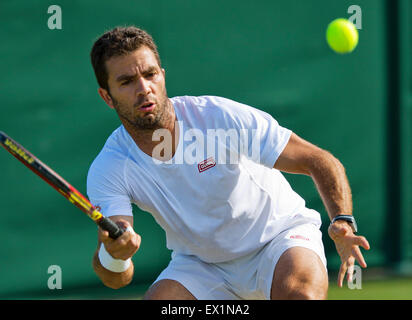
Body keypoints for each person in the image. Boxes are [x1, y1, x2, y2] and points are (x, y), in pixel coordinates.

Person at [87, 26, 370, 300]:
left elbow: (318, 160)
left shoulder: (218, 117)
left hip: (279, 238)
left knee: (301, 296)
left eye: (150, 75)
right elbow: (115, 278)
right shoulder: (110, 167)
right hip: (202, 266)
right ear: (106, 97)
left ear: (162, 76)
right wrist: (115, 254)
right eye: (126, 82)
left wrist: (342, 220)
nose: (144, 88)